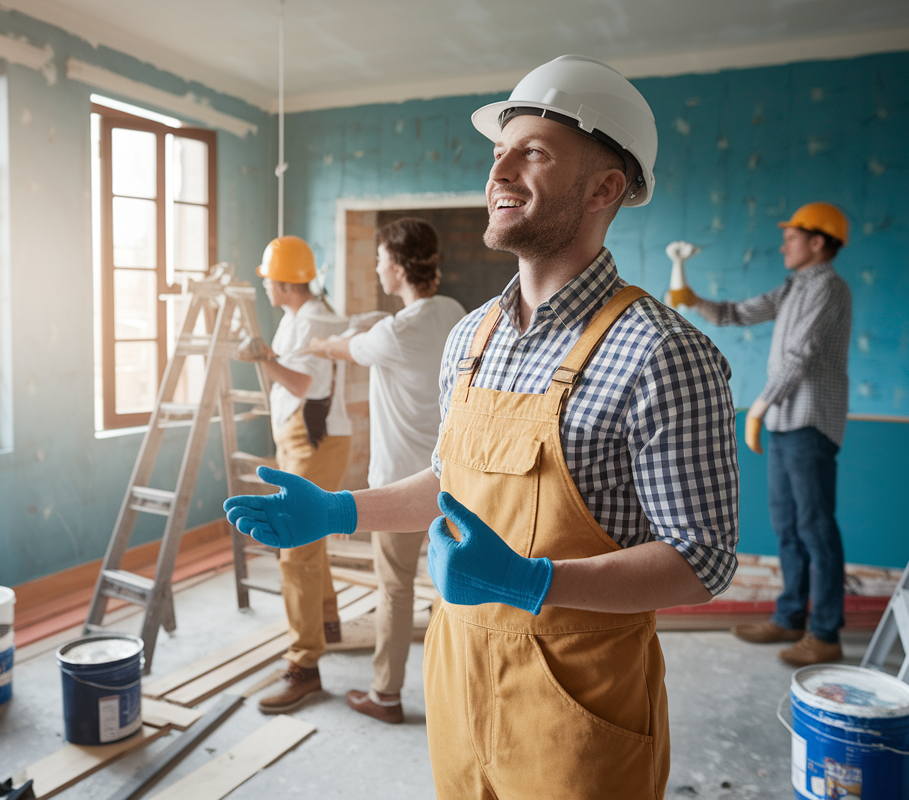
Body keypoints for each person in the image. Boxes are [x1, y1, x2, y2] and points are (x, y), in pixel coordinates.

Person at [226, 55, 739, 798]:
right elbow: (450, 484)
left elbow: (704, 559)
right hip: (458, 681)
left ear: (606, 187)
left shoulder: (665, 353)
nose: (499, 169)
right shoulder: (470, 338)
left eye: (532, 151)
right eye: (499, 149)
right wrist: (340, 511)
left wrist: (534, 582)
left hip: (577, 714)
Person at [302, 217, 467, 724]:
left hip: (400, 485)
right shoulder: (456, 313)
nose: (376, 267)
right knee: (451, 590)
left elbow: (341, 350)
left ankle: (386, 696)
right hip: (451, 481)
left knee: (395, 590)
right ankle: (453, 696)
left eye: (379, 260)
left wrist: (315, 342)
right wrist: (368, 320)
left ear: (396, 266)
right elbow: (387, 325)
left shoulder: (392, 334)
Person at [676, 202, 853, 667]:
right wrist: (693, 300)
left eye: (792, 237)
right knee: (788, 526)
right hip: (784, 422)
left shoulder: (829, 288)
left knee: (816, 528)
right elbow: (738, 313)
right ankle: (791, 617)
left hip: (809, 422)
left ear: (817, 242)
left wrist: (759, 405)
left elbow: (801, 353)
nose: (783, 244)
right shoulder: (795, 286)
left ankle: (825, 633)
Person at [233, 235, 352, 713]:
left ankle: (304, 666)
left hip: (314, 441)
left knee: (293, 547)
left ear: (284, 282)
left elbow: (305, 383)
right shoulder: (297, 318)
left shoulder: (315, 322)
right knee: (309, 539)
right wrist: (269, 354)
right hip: (300, 437)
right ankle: (326, 623)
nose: (266, 288)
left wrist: (264, 358)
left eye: (269, 280)